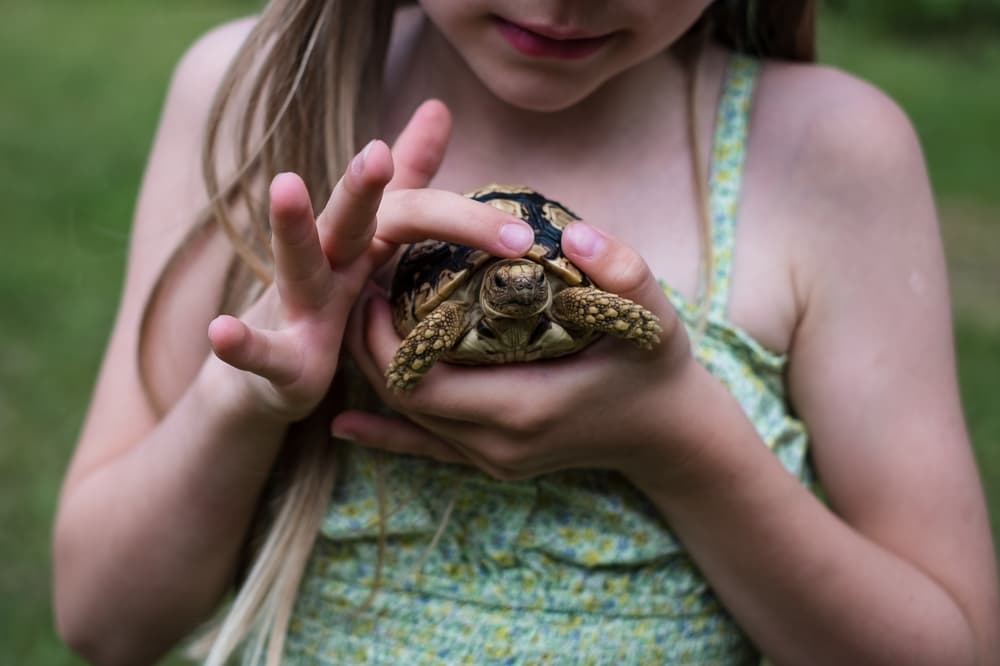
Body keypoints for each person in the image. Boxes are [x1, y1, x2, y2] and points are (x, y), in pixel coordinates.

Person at [53, 1, 1000, 664]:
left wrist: (679, 437)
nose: (558, 0)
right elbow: (100, 621)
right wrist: (246, 394)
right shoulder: (251, 96)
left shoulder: (835, 155)